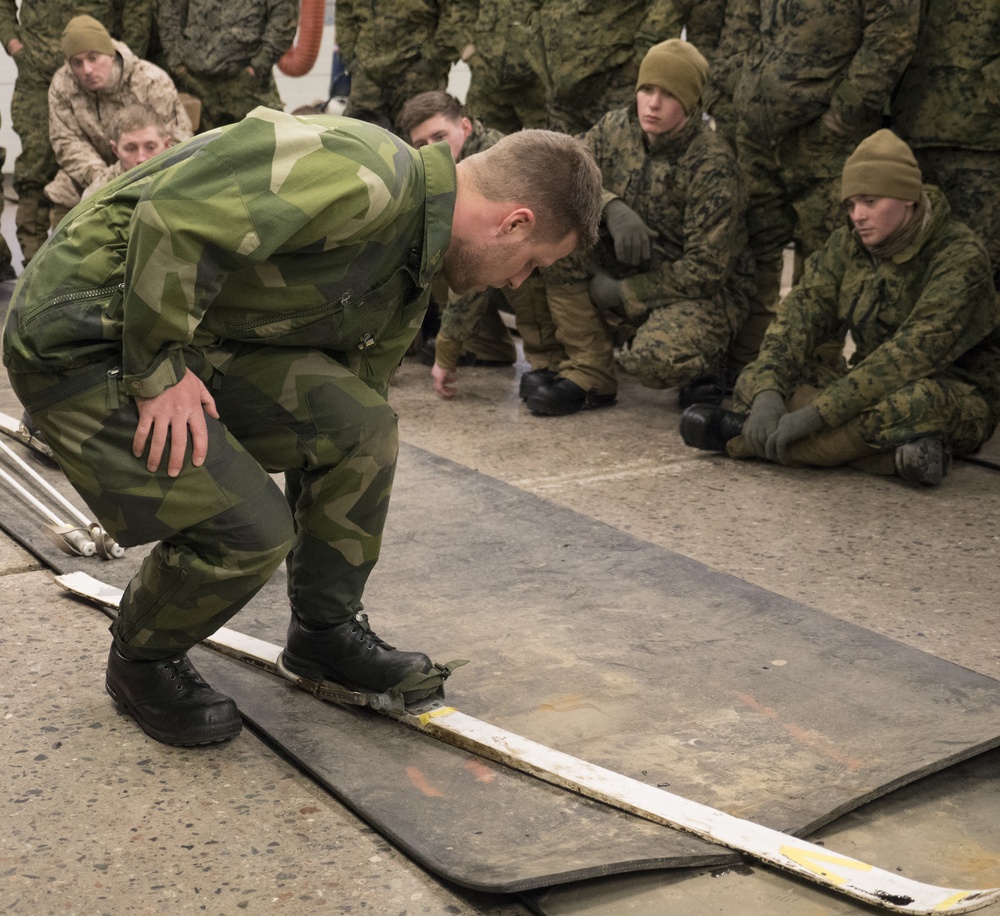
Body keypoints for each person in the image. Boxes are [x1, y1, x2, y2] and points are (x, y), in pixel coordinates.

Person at [2, 107, 604, 747]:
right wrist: (156, 371)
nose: (517, 281)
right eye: (531, 263)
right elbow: (175, 213)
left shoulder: (414, 255)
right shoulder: (366, 174)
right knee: (251, 530)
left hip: (192, 333)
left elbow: (351, 392)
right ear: (515, 223)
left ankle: (324, 635)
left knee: (361, 429)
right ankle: (142, 657)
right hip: (86, 336)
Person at [680, 129, 1000, 488]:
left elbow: (910, 355)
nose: (857, 216)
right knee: (756, 378)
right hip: (865, 386)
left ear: (908, 198)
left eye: (869, 201)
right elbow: (799, 314)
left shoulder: (960, 256)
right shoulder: (848, 246)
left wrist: (817, 413)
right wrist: (769, 393)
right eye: (850, 205)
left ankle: (743, 440)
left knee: (915, 403)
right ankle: (893, 457)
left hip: (954, 394)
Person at [526, 39, 754, 417]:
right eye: (646, 90)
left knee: (655, 359)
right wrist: (609, 204)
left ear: (692, 102)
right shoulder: (615, 128)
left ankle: (707, 361)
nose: (652, 103)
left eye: (669, 94)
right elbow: (567, 176)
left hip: (695, 293)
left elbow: (707, 271)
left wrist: (623, 292)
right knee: (549, 243)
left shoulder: (711, 163)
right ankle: (590, 372)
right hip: (625, 265)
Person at [727, 0, 920, 375]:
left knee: (825, 257)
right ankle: (746, 365)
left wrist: (844, 111)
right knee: (753, 244)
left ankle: (810, 371)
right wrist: (738, 86)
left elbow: (892, 33)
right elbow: (742, 16)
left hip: (825, 138)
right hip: (757, 131)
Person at [398, 90, 564, 398]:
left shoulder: (495, 162)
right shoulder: (438, 171)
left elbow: (482, 254)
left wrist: (446, 350)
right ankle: (488, 344)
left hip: (545, 263)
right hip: (504, 258)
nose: (433, 149)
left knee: (520, 267)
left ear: (465, 126)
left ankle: (547, 363)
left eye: (439, 136)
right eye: (421, 144)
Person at [0, 1, 154, 264]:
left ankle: (99, 264)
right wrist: (13, 43)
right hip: (37, 70)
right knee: (34, 168)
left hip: (95, 73)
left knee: (114, 159)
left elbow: (136, 8)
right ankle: (34, 266)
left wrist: (120, 59)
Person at [891, 0, 1000, 290]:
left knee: (979, 270)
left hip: (981, 150)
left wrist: (983, 96)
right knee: (911, 272)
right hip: (910, 137)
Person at [44, 16, 192, 226]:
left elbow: (179, 140)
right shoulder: (63, 85)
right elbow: (66, 142)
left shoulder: (151, 81)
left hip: (151, 166)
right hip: (94, 171)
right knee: (62, 195)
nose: (86, 70)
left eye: (93, 58)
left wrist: (142, 173)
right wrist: (101, 178)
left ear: (110, 55)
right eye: (77, 62)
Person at [155, 0, 297, 131]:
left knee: (267, 146)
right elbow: (169, 14)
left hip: (247, 83)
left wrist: (259, 65)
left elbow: (284, 16)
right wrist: (178, 65)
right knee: (199, 153)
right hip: (196, 83)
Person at [334, 0, 456, 127]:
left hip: (417, 74)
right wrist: (351, 59)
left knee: (422, 135)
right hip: (367, 75)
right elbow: (344, 11)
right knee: (358, 135)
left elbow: (454, 12)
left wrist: (433, 58)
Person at [80, 104, 174, 200]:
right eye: (131, 149)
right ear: (115, 150)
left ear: (166, 145)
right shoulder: (98, 194)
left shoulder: (182, 178)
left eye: (150, 147)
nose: (141, 159)